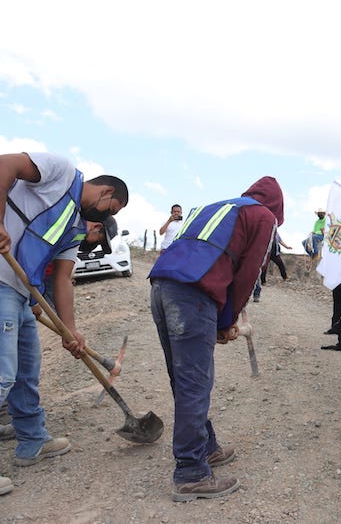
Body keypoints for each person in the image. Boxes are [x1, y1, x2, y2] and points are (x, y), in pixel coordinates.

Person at [0, 152, 128, 495]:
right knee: (2, 374)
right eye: (111, 209)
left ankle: (32, 441)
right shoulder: (61, 172)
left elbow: (62, 280)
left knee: (27, 370)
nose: (107, 215)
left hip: (18, 292)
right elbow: (4, 164)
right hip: (0, 280)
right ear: (103, 192)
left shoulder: (73, 227)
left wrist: (70, 329)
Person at [149, 176, 283, 502]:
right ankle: (191, 473)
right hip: (194, 294)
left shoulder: (214, 208)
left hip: (161, 286)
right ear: (276, 209)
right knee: (195, 382)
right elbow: (250, 272)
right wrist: (227, 321)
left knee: (184, 379)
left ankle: (205, 447)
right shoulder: (264, 217)